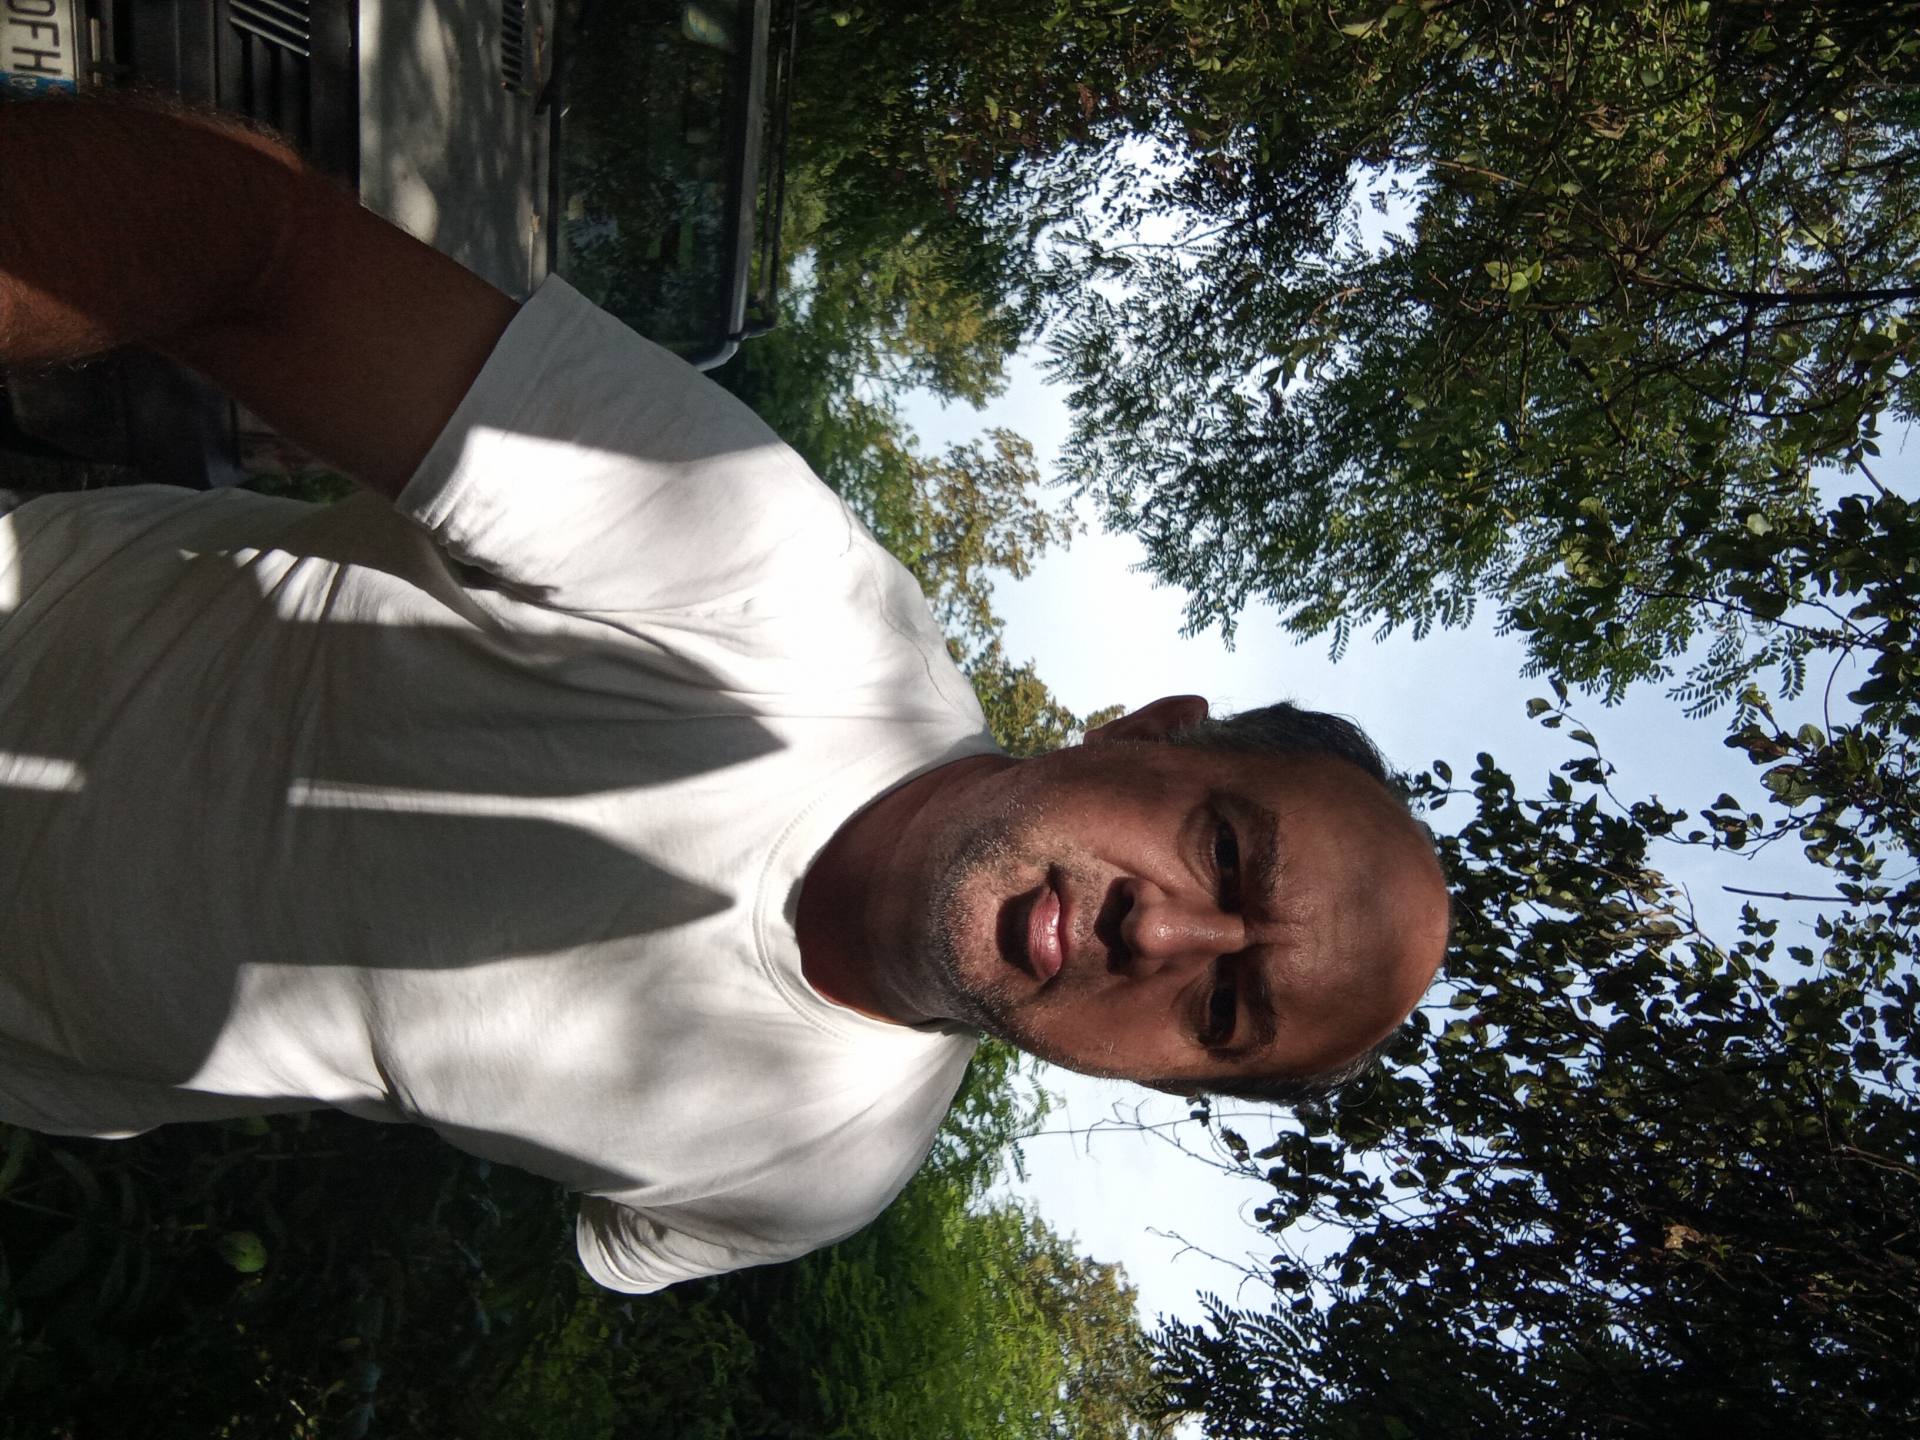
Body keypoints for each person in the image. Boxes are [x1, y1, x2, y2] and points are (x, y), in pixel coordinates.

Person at [0, 99, 1450, 1291]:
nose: (1164, 932)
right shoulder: (770, 576)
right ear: (1150, 733)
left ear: (1163, 1084)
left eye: (1228, 1004)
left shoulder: (816, 1182)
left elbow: (622, 1245)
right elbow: (255, 254)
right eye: (1223, 851)